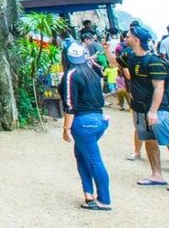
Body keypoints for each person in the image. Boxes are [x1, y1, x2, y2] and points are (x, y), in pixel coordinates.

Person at [117, 25, 169, 192]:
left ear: (136, 39)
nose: (125, 39)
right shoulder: (131, 56)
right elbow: (117, 63)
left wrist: (153, 110)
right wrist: (107, 51)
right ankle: (156, 174)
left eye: (128, 36)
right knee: (149, 140)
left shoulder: (154, 61)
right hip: (139, 106)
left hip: (156, 109)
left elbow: (159, 88)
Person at [59, 43, 111, 211]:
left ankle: (104, 200)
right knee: (81, 156)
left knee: (94, 160)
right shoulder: (92, 71)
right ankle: (88, 195)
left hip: (83, 122)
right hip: (99, 119)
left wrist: (66, 128)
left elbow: (70, 104)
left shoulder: (71, 75)